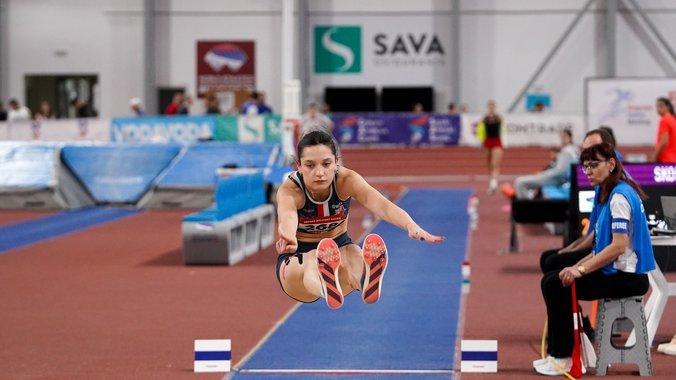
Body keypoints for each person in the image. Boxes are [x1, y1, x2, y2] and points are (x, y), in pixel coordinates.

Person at [275, 131, 444, 309]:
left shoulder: (346, 180)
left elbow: (381, 205)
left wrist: (410, 225)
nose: (319, 172)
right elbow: (287, 218)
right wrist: (289, 238)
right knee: (311, 259)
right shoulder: (290, 191)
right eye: (310, 165)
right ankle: (325, 287)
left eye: (326, 164)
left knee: (354, 251)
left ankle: (365, 281)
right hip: (297, 270)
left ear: (336, 162)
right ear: (298, 166)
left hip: (338, 259)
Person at [534, 142, 655, 376]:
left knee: (555, 284)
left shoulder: (619, 197)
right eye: (585, 167)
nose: (587, 171)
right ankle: (558, 353)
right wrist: (577, 265)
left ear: (611, 164)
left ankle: (564, 357)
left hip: (628, 277)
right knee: (553, 278)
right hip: (618, 271)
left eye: (593, 165)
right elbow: (600, 245)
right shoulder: (610, 192)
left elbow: (618, 247)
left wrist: (580, 270)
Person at [512, 129, 578, 199]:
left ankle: (527, 209)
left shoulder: (567, 151)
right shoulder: (574, 150)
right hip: (561, 178)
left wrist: (543, 173)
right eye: (561, 137)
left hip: (558, 180)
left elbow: (560, 172)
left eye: (564, 137)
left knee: (520, 183)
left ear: (570, 137)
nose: (562, 139)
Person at [476, 100, 504, 194]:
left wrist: (505, 142)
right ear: (488, 107)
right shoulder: (484, 118)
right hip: (487, 141)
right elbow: (480, 130)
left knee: (495, 164)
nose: (491, 108)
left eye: (492, 106)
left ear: (494, 107)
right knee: (489, 165)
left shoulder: (499, 117)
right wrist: (480, 142)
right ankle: (491, 183)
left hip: (497, 141)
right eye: (489, 106)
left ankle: (494, 184)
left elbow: (504, 130)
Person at [653, 97, 676, 163]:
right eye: (657, 106)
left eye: (661, 106)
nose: (658, 109)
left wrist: (655, 156)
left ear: (668, 107)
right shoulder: (673, 119)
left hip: (665, 160)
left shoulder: (664, 120)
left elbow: (664, 142)